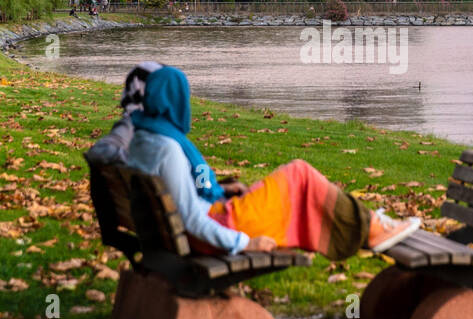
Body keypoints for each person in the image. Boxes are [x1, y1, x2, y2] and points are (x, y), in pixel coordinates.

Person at [110, 64, 419, 258]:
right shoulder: (167, 148)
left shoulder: (142, 137)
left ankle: (368, 223)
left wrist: (223, 190)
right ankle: (371, 228)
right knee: (299, 174)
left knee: (292, 181)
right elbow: (191, 218)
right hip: (217, 230)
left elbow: (181, 199)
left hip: (182, 230)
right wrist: (244, 243)